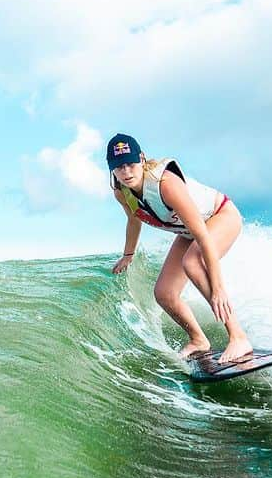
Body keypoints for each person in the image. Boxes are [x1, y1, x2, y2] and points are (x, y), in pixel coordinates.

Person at [107, 132, 253, 364]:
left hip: (220, 216)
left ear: (142, 159)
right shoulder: (121, 192)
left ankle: (238, 337)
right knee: (164, 293)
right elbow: (134, 220)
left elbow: (203, 237)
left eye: (130, 164)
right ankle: (198, 340)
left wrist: (218, 288)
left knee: (192, 262)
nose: (126, 172)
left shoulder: (165, 184)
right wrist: (128, 254)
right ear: (111, 169)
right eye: (118, 167)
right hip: (188, 232)